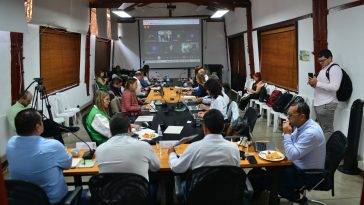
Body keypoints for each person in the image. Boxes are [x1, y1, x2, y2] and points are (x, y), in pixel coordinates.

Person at [250, 102, 326, 203]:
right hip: (296, 165)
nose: (287, 117)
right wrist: (287, 133)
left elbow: (292, 155)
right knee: (261, 169)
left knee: (260, 177)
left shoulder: (311, 133)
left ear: (302, 116)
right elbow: (291, 141)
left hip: (306, 174)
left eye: (290, 115)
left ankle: (297, 197)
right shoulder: (303, 125)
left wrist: (286, 133)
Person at [6, 109, 72, 204]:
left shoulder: (11, 143)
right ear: (38, 127)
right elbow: (68, 165)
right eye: (42, 121)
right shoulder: (53, 146)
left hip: (23, 200)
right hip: (55, 202)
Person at [168, 109, 240, 173]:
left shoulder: (194, 148)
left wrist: (172, 154)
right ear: (223, 127)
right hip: (227, 187)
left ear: (204, 128)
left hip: (199, 187)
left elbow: (176, 168)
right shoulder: (234, 148)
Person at [96, 113, 160, 180]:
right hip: (138, 189)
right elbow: (156, 167)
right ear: (129, 128)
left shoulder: (99, 150)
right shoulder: (144, 146)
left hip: (111, 190)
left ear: (110, 130)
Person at [308, 49, 342, 140]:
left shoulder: (335, 69)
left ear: (330, 58)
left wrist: (317, 83)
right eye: (319, 61)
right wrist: (313, 84)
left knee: (327, 131)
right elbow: (321, 86)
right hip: (320, 103)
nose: (320, 63)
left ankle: (327, 153)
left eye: (322, 60)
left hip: (327, 103)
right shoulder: (324, 69)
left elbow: (335, 87)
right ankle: (323, 151)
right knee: (323, 129)